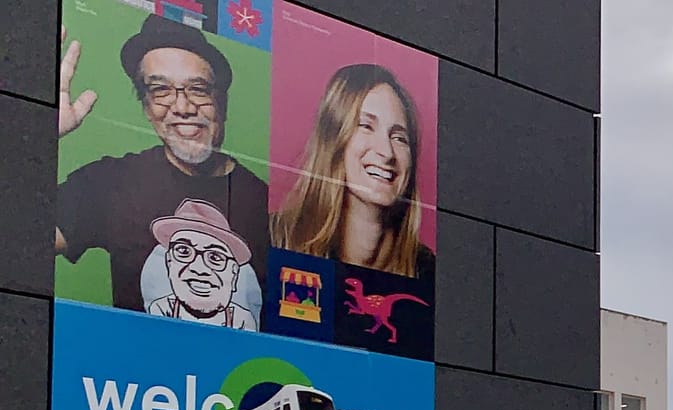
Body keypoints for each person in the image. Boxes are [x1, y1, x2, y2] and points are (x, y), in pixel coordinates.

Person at [56, 15, 268, 314]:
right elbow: (15, 240)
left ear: (222, 103)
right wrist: (32, 130)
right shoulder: (110, 182)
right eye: (160, 90)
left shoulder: (267, 203)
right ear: (146, 106)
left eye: (198, 89)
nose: (182, 107)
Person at [269, 63, 435, 280]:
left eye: (399, 138)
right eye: (366, 126)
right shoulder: (276, 237)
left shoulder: (427, 270)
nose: (387, 153)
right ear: (333, 139)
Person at [145, 198, 259, 329]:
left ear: (233, 273)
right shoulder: (161, 308)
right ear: (169, 262)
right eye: (184, 251)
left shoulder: (242, 319)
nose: (199, 268)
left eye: (215, 257)